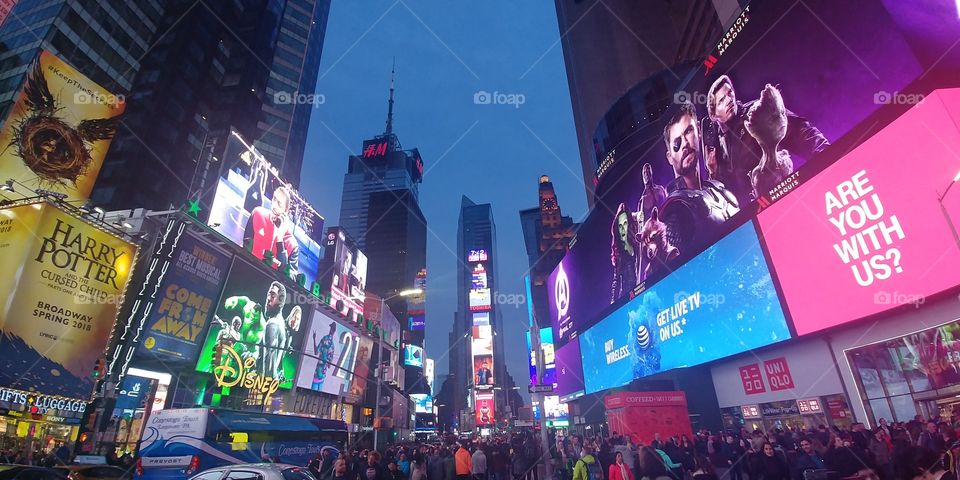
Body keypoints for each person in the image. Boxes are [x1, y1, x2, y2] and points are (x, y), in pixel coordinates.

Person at [704, 74, 829, 206]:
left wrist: (828, 155)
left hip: (782, 195)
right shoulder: (718, 145)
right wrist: (713, 174)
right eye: (721, 100)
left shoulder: (754, 113)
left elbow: (799, 130)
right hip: (753, 212)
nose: (729, 100)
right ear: (713, 114)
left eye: (730, 93)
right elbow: (728, 192)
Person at [659, 102, 740, 257]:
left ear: (698, 131)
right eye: (677, 142)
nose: (684, 144)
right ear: (670, 157)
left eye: (688, 131)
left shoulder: (718, 187)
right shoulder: (675, 212)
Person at [244, 184, 300, 274]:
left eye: (279, 204)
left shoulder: (292, 245)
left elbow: (287, 276)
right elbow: (245, 246)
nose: (274, 205)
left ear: (286, 210)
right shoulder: (257, 213)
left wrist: (280, 239)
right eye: (274, 199)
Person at [610, 202, 640, 302]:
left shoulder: (638, 244)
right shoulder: (618, 253)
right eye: (620, 225)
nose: (623, 228)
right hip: (627, 298)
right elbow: (616, 282)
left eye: (625, 223)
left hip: (643, 289)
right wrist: (613, 303)